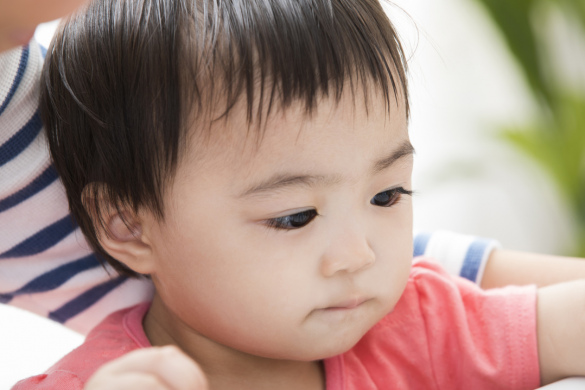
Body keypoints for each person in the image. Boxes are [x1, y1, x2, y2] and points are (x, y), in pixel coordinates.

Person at [12, 0, 585, 388]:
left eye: (387, 195)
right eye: (295, 217)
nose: (359, 254)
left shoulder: (421, 327)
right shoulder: (104, 382)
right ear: (128, 225)